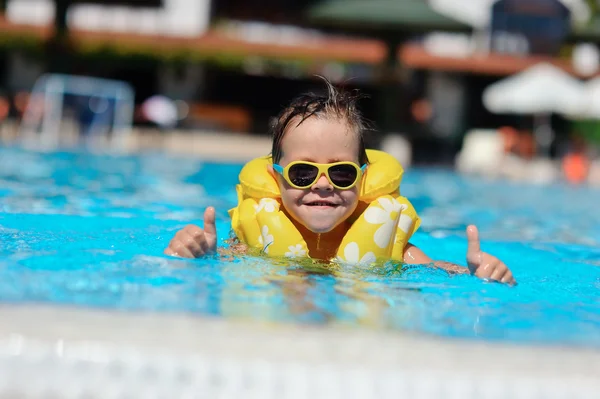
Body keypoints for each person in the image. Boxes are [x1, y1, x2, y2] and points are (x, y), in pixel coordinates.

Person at [165, 79, 516, 285]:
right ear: (277, 177)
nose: (322, 185)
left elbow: (444, 276)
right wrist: (197, 254)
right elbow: (206, 269)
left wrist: (481, 275)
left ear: (362, 181)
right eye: (303, 172)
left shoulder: (401, 252)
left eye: (341, 172)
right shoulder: (249, 244)